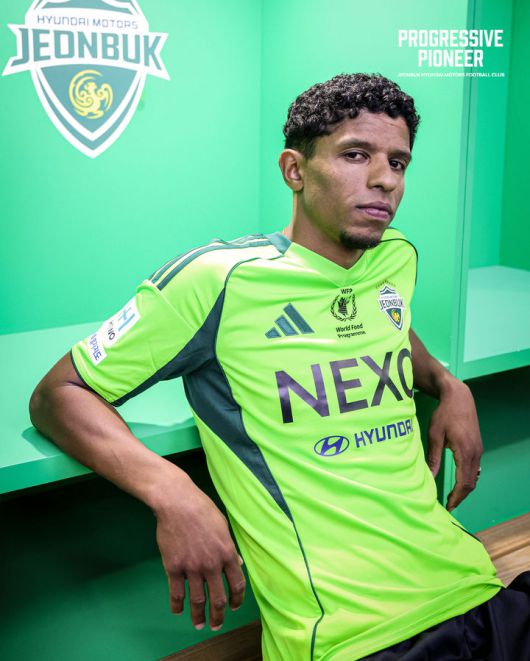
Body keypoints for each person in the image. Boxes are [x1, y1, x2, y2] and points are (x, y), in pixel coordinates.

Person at [29, 73, 530, 660]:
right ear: (295, 169)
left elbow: (392, 327)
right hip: (355, 637)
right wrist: (172, 491)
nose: (385, 179)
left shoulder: (391, 258)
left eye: (398, 162)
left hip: (476, 586)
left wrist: (448, 384)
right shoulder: (218, 280)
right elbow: (58, 394)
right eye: (356, 155)